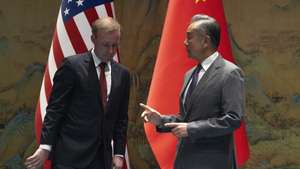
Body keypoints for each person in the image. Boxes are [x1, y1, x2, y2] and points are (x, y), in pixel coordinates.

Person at [141, 14, 245, 169]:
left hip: (213, 162)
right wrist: (161, 120)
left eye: (189, 38)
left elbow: (233, 119)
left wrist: (191, 129)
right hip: (185, 160)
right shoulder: (189, 74)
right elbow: (186, 118)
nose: (185, 42)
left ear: (205, 41)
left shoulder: (229, 73)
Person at [25, 17, 130, 169]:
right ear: (93, 39)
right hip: (70, 158)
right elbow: (55, 110)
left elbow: (121, 118)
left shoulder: (123, 74)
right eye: (106, 45)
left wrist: (119, 153)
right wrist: (45, 147)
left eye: (115, 45)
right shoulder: (72, 67)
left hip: (102, 160)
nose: (111, 51)